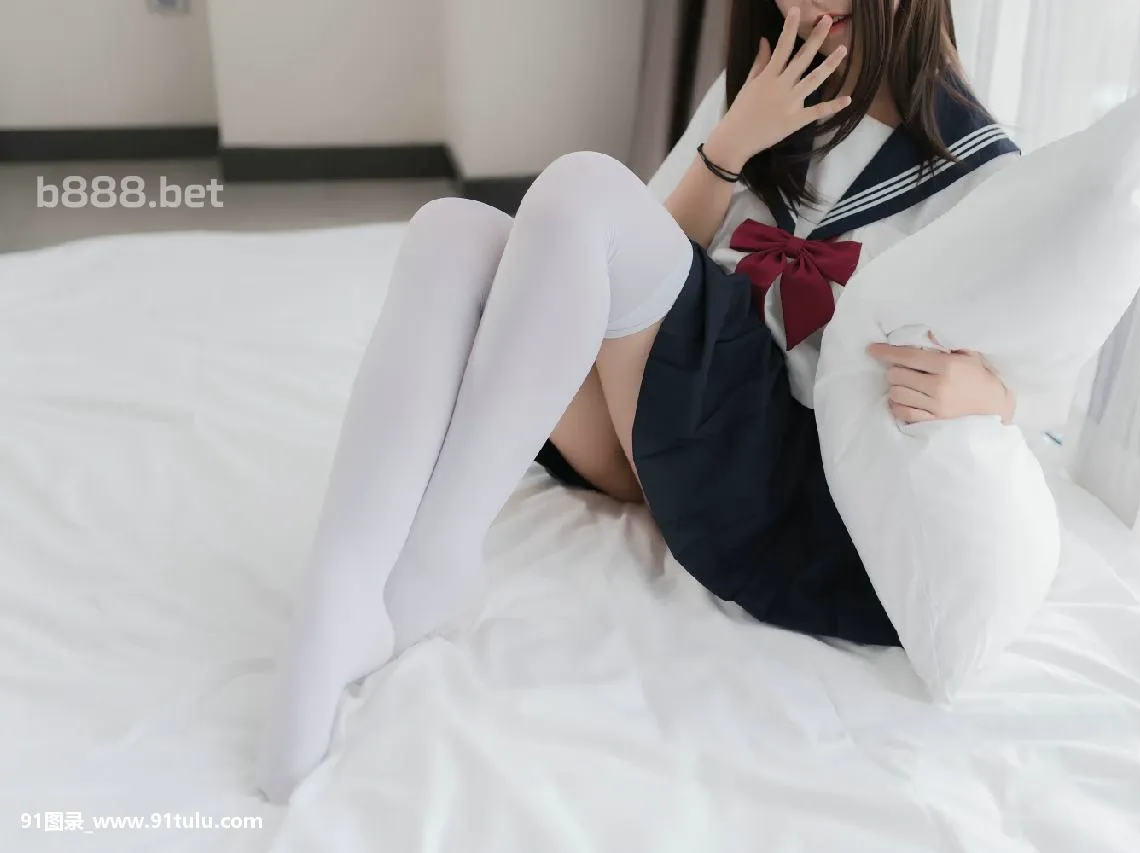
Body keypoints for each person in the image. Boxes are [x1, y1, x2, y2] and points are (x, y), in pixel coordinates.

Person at [259, 0, 1036, 803]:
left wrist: (993, 393)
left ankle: (434, 561)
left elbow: (1043, 386)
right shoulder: (767, 79)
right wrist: (731, 144)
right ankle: (341, 592)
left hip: (772, 481)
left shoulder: (979, 169)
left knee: (584, 188)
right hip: (664, 420)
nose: (804, 4)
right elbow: (634, 261)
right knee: (449, 231)